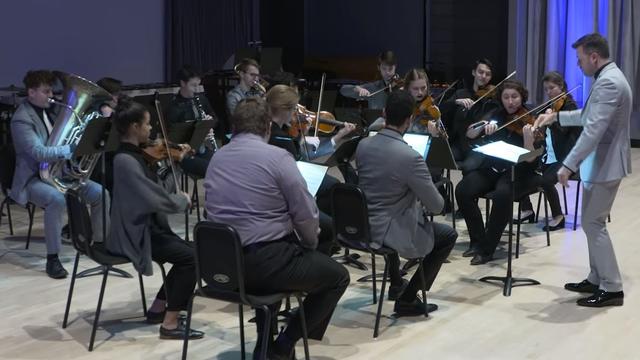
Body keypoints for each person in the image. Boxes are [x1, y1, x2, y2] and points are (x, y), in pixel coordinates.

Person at [204, 98, 349, 359]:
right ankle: (284, 345)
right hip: (263, 264)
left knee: (281, 258)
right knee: (337, 277)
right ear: (267, 128)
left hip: (221, 266)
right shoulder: (278, 157)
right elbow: (306, 216)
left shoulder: (217, 158)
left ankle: (264, 341)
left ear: (234, 128)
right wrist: (309, 245)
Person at [534, 33, 632, 307]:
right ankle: (596, 277)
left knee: (593, 223)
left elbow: (592, 130)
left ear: (593, 57)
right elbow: (589, 116)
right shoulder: (607, 78)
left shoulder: (609, 82)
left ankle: (612, 287)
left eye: (579, 60)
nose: (578, 66)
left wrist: (567, 165)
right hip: (601, 163)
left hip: (606, 163)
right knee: (591, 223)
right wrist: (555, 115)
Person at [107, 98, 203, 339]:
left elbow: (161, 188)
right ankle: (169, 325)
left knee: (194, 253)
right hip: (136, 234)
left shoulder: (136, 157)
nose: (151, 130)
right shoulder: (125, 161)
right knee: (193, 258)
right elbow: (157, 199)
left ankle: (158, 309)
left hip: (149, 228)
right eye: (147, 125)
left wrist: (176, 164)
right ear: (134, 127)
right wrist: (181, 200)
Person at [356, 90, 457, 314]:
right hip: (388, 230)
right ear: (409, 120)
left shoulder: (363, 145)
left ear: (384, 113)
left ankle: (396, 283)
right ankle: (409, 298)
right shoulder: (410, 157)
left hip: (361, 225)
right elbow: (437, 207)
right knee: (448, 236)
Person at [10, 70, 108, 279]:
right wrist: (71, 149)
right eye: (46, 91)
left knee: (101, 194)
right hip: (33, 179)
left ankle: (100, 245)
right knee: (55, 199)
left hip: (58, 173)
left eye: (51, 91)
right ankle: (53, 258)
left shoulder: (52, 110)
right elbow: (38, 153)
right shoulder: (21, 119)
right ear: (31, 92)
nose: (51, 95)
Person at [455, 80, 544, 264]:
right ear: (501, 99)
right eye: (506, 97)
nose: (511, 102)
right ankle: (477, 241)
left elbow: (531, 159)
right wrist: (481, 127)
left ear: (522, 97)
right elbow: (469, 134)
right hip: (494, 167)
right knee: (463, 190)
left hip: (518, 172)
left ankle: (487, 249)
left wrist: (528, 140)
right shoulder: (496, 114)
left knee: (502, 195)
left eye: (515, 97)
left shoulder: (530, 119)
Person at [265, 84, 356, 254]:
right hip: (284, 196)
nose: (296, 114)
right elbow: (297, 164)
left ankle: (318, 224)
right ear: (285, 110)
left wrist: (301, 135)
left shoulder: (269, 129)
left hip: (281, 186)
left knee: (332, 186)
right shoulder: (280, 137)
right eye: (293, 109)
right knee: (333, 226)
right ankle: (313, 250)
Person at [517, 71, 580, 230]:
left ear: (561, 87)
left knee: (545, 181)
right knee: (520, 167)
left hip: (566, 157)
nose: (548, 92)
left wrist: (552, 119)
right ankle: (527, 210)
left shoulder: (570, 107)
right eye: (546, 89)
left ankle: (558, 217)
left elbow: (564, 132)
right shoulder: (550, 106)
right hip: (547, 155)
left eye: (551, 88)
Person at [440, 59, 500, 172]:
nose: (483, 76)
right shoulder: (461, 94)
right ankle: (440, 187)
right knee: (437, 159)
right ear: (474, 72)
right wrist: (456, 102)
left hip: (478, 146)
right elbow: (441, 109)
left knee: (468, 167)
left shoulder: (492, 99)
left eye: (488, 74)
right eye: (480, 72)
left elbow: (496, 116)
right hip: (458, 144)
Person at [166, 66, 218, 178]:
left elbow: (215, 118)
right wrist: (198, 137)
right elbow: (172, 139)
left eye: (198, 85)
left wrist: (209, 123)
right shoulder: (174, 107)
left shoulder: (201, 99)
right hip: (185, 154)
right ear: (183, 83)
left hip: (202, 149)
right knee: (213, 170)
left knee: (223, 165)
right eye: (193, 85)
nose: (196, 89)